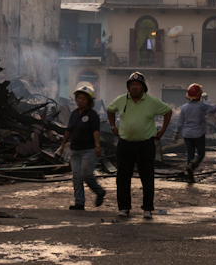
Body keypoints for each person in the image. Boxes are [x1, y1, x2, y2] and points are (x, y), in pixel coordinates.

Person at [107, 72, 172, 219]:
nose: (135, 87)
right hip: (125, 144)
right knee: (123, 177)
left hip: (145, 145)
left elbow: (168, 111)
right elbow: (110, 110)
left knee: (147, 177)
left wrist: (162, 130)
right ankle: (124, 207)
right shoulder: (121, 100)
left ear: (143, 87)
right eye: (132, 85)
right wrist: (112, 127)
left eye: (137, 85)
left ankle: (147, 208)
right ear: (128, 87)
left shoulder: (152, 102)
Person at [58, 82, 105, 210]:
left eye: (83, 99)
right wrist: (62, 145)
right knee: (76, 177)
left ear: (89, 100)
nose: (80, 100)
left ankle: (99, 191)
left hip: (88, 150)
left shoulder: (92, 115)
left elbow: (95, 131)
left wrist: (97, 146)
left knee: (86, 174)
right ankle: (79, 202)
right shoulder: (74, 114)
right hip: (74, 150)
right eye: (79, 98)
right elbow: (68, 130)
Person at [174, 83, 216, 182]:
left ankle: (190, 176)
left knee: (190, 154)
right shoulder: (201, 106)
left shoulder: (184, 107)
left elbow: (180, 122)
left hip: (187, 134)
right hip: (198, 134)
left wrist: (176, 133)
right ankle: (192, 165)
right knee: (201, 154)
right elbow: (214, 108)